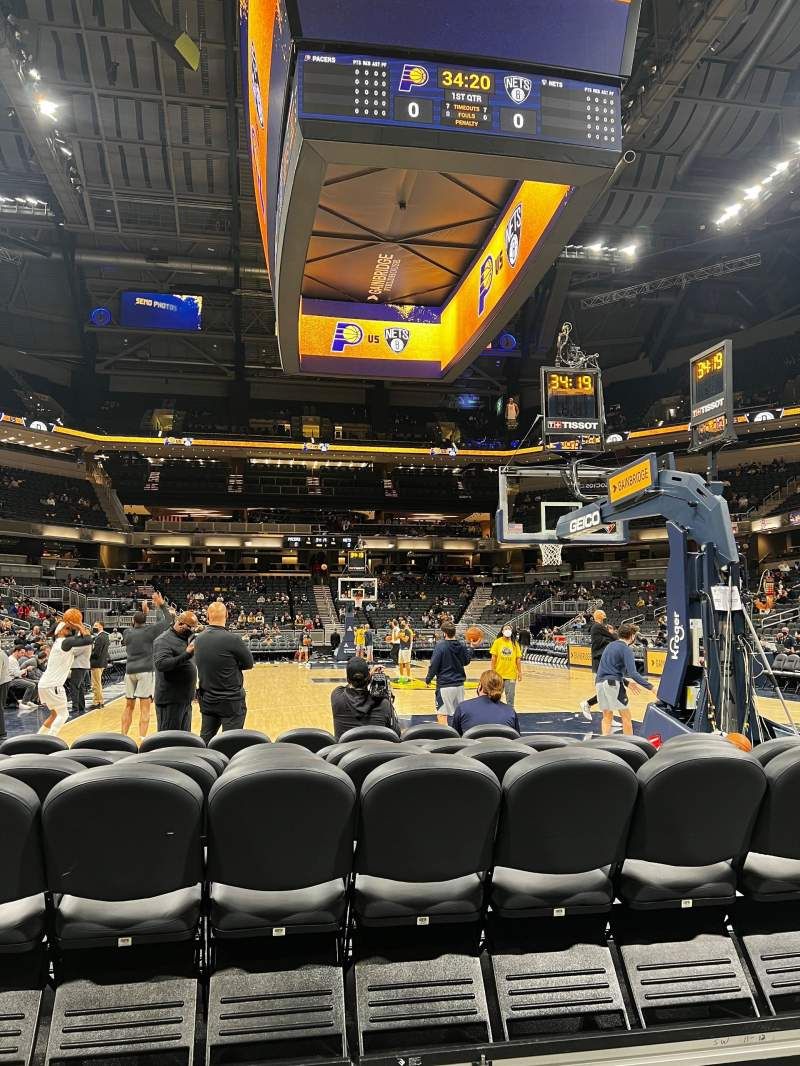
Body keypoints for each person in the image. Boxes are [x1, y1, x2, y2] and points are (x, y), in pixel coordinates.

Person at [193, 601, 254, 742]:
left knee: (205, 740)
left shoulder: (198, 639)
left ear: (207, 616)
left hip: (207, 699)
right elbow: (248, 663)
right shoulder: (233, 639)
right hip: (231, 702)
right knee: (231, 743)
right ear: (227, 615)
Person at [28, 620, 94, 736]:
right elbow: (88, 639)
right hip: (53, 685)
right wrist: (79, 625)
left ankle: (39, 738)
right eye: (67, 628)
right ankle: (51, 739)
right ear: (59, 631)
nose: (69, 630)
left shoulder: (60, 643)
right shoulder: (64, 642)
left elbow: (83, 641)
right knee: (64, 714)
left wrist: (79, 630)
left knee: (54, 714)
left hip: (45, 684)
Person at [122, 592, 172, 741]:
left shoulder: (127, 632)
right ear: (145, 620)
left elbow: (135, 625)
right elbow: (168, 619)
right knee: (145, 707)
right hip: (145, 671)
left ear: (133, 620)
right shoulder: (150, 631)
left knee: (128, 706)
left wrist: (143, 613)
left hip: (129, 671)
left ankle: (123, 736)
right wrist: (161, 604)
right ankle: (142, 738)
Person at [595, 622, 653, 736]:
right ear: (631, 636)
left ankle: (603, 744)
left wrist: (626, 683)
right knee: (626, 717)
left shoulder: (609, 646)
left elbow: (606, 669)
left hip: (599, 683)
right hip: (613, 684)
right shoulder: (626, 649)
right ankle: (630, 745)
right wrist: (651, 687)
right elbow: (633, 673)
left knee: (607, 717)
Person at [330, 656, 398, 740]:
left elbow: (349, 686)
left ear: (348, 679)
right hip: (376, 751)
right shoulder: (383, 703)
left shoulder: (337, 696)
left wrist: (367, 677)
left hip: (346, 751)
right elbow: (396, 734)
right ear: (368, 677)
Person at [425, 622, 480, 723]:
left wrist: (428, 679)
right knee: (458, 716)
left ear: (444, 633)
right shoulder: (461, 646)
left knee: (442, 715)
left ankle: (446, 738)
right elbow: (466, 661)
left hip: (445, 686)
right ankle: (458, 737)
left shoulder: (440, 646)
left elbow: (434, 665)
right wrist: (472, 647)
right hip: (459, 686)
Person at [153, 611, 199, 732]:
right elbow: (161, 664)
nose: (192, 631)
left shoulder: (185, 638)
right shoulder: (163, 640)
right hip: (170, 701)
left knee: (184, 742)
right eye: (189, 628)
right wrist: (187, 654)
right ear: (179, 623)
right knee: (169, 741)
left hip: (185, 699)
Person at [452, 670, 520, 735]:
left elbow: (456, 738)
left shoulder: (463, 708)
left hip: (473, 747)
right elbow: (516, 739)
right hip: (501, 746)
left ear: (480, 686)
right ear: (501, 689)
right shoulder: (510, 712)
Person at [579, 610, 617, 721]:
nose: (605, 615)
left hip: (603, 662)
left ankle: (608, 717)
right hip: (599, 663)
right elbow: (614, 638)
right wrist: (613, 633)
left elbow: (610, 640)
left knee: (609, 691)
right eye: (603, 614)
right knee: (605, 692)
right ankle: (587, 703)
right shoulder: (597, 627)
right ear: (599, 616)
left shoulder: (600, 628)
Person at [490, 624, 523, 707]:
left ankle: (510, 714)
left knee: (510, 697)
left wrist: (520, 672)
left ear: (511, 632)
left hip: (511, 675)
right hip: (499, 674)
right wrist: (493, 670)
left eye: (509, 629)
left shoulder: (515, 644)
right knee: (496, 696)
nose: (507, 630)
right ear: (502, 631)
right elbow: (493, 658)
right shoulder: (497, 642)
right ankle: (495, 713)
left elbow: (518, 659)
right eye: (506, 629)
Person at [7, 646, 39, 711]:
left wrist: (23, 673)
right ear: (16, 651)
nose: (23, 655)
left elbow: (17, 673)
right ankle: (24, 703)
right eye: (21, 653)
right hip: (12, 680)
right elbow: (15, 674)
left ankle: (28, 700)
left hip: (17, 678)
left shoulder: (15, 659)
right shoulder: (11, 660)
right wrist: (26, 669)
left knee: (37, 683)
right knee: (31, 685)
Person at [67, 633, 91, 717]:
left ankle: (75, 708)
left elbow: (74, 651)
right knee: (80, 686)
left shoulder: (84, 643)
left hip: (79, 666)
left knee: (74, 687)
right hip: (81, 666)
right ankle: (81, 706)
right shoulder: (87, 642)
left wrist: (70, 646)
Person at [89, 620, 109, 709]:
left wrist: (89, 655)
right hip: (102, 662)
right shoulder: (106, 636)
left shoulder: (100, 637)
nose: (94, 627)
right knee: (98, 683)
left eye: (96, 625)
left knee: (96, 684)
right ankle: (99, 700)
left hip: (97, 663)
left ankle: (97, 702)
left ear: (101, 626)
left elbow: (96, 653)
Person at [397, 616, 414, 681]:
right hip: (401, 648)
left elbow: (406, 640)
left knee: (407, 663)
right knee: (400, 663)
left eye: (403, 623)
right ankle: (401, 676)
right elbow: (397, 637)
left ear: (406, 624)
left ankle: (408, 676)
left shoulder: (408, 631)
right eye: (401, 623)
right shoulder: (401, 631)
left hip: (406, 648)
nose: (402, 624)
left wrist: (400, 637)